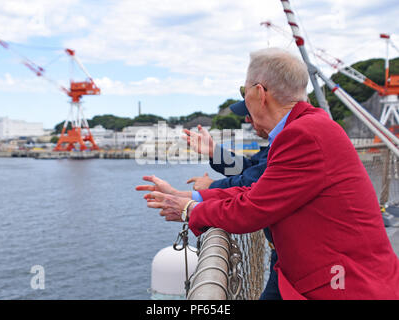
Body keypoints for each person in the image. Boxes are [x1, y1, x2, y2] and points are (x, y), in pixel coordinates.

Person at [137, 48, 399, 299]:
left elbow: (252, 207)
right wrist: (188, 196)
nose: (245, 101)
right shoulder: (308, 127)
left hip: (342, 286)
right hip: (314, 275)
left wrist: (189, 209)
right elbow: (259, 188)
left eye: (244, 90)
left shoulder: (303, 134)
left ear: (260, 93)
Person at [183, 121, 280, 300]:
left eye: (249, 111)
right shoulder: (281, 139)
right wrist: (215, 153)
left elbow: (253, 182)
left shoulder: (290, 138)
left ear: (263, 96)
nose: (248, 120)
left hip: (291, 257)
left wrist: (209, 188)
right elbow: (252, 169)